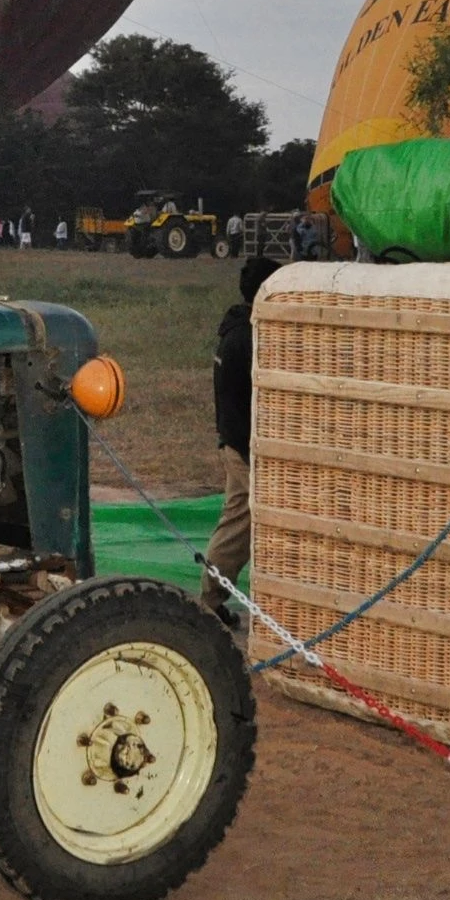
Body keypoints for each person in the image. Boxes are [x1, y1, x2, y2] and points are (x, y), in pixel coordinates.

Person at [203, 255, 280, 630]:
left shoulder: (234, 332)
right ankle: (213, 601)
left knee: (237, 520)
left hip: (236, 442)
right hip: (246, 448)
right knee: (249, 524)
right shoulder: (249, 341)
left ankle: (211, 600)